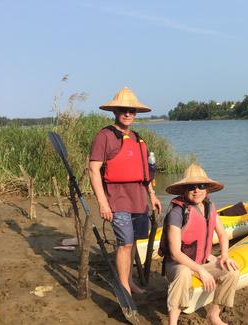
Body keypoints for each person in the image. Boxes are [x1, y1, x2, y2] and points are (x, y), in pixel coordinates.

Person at [89, 87, 162, 296]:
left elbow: (145, 172)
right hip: (117, 201)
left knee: (132, 245)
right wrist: (103, 204)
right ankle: (123, 289)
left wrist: (153, 195)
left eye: (131, 110)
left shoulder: (138, 138)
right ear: (115, 111)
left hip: (139, 201)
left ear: (136, 112)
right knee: (124, 244)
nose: (128, 113)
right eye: (123, 109)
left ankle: (129, 281)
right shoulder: (105, 136)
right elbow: (93, 170)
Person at [158, 163, 239, 325]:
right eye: (191, 186)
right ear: (184, 190)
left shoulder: (210, 207)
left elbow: (222, 234)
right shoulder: (177, 212)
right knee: (183, 273)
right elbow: (175, 253)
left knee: (232, 272)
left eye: (201, 186)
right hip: (177, 264)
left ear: (207, 188)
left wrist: (224, 256)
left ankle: (214, 315)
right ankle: (172, 322)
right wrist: (201, 270)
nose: (196, 190)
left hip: (200, 261)